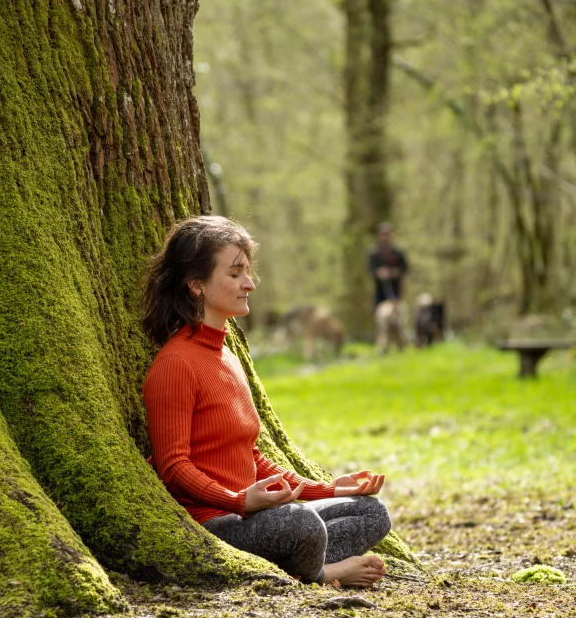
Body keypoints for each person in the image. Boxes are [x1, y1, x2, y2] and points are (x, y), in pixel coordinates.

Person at [141, 215, 391, 586]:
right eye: (236, 273)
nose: (250, 284)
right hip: (215, 524)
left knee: (372, 513)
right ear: (197, 285)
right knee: (301, 522)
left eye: (248, 271)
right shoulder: (176, 364)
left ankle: (300, 566)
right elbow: (173, 467)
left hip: (255, 516)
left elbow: (251, 457)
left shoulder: (227, 356)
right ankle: (322, 574)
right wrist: (239, 501)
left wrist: (334, 488)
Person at [367, 223, 409, 308]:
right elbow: (370, 268)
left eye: (387, 234)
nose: (385, 237)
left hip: (397, 291)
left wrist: (396, 272)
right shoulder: (374, 253)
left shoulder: (398, 252)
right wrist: (378, 272)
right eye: (383, 235)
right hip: (380, 292)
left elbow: (405, 268)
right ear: (378, 236)